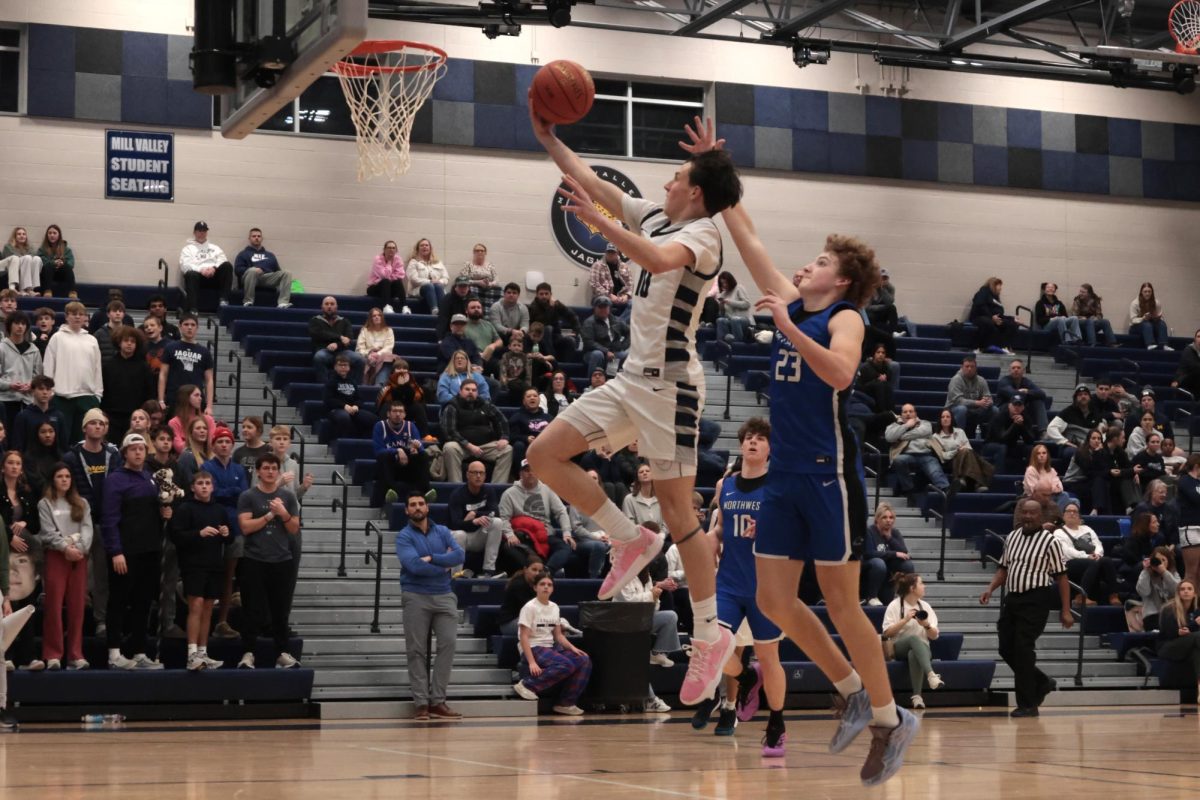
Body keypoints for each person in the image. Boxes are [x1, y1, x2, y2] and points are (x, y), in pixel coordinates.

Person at [689, 114, 916, 781]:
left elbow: (843, 374)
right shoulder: (795, 302)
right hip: (782, 477)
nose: (805, 264)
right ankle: (852, 694)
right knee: (779, 603)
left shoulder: (843, 316)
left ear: (839, 280)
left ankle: (890, 715)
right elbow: (746, 229)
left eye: (819, 262)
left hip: (826, 475)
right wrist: (715, 169)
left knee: (843, 605)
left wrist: (788, 324)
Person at [526, 113, 744, 719]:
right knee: (543, 454)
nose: (666, 183)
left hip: (672, 388)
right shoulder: (654, 212)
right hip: (629, 382)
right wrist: (548, 140)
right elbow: (596, 183)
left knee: (681, 513)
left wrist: (598, 226)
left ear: (695, 191)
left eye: (676, 176)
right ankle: (629, 537)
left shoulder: (702, 237)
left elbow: (652, 254)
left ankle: (708, 636)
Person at [700, 417, 788, 756]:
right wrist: (710, 538)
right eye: (748, 437)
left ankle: (776, 723)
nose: (752, 442)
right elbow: (721, 529)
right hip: (730, 583)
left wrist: (767, 534)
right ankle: (747, 680)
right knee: (711, 644)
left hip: (767, 587)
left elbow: (794, 534)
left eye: (760, 439)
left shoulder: (779, 485)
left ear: (769, 449)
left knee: (770, 657)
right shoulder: (727, 485)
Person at [980, 499, 1073, 717]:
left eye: (1033, 513)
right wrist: (991, 588)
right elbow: (1003, 569)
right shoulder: (1012, 537)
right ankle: (1041, 681)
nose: (1028, 516)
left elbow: (1062, 578)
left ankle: (1028, 704)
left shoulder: (1050, 542)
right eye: (1025, 512)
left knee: (1023, 649)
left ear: (1040, 516)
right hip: (1013, 598)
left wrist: (1066, 610)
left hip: (1037, 599)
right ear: (1020, 514)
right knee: (1005, 647)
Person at [101, 433, 170, 670]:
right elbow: (109, 519)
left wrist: (165, 513)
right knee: (119, 602)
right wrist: (116, 551)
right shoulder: (115, 480)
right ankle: (114, 653)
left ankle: (139, 651)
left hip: (149, 550)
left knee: (143, 603)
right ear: (125, 453)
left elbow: (155, 512)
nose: (138, 453)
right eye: (133, 449)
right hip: (125, 553)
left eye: (142, 449)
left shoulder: (150, 478)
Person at [394, 491, 463, 719]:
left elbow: (459, 555)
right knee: (416, 650)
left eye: (421, 504)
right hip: (415, 595)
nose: (417, 508)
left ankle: (438, 701)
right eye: (412, 505)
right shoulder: (403, 536)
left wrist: (433, 558)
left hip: (444, 595)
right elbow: (413, 565)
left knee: (448, 645)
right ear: (406, 510)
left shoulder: (442, 531)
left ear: (427, 507)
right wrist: (444, 563)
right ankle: (421, 703)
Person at [235, 454, 302, 669]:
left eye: (274, 468)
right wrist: (268, 516)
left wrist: (282, 513)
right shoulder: (248, 496)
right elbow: (245, 527)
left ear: (279, 472)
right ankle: (248, 653)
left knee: (280, 611)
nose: (270, 471)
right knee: (252, 610)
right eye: (266, 468)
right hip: (255, 559)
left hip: (282, 559)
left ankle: (282, 653)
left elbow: (293, 528)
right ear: (258, 471)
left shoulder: (288, 497)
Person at [63, 407, 119, 635]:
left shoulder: (113, 455)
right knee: (76, 574)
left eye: (101, 424)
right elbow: (67, 488)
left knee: (102, 575)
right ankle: (74, 620)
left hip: (105, 522)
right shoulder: (71, 456)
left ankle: (100, 619)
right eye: (93, 423)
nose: (98, 427)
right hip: (78, 522)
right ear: (85, 427)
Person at [169, 470, 229, 670]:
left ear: (213, 487)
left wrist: (226, 532)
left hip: (214, 564)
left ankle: (204, 652)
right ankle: (191, 653)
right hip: (193, 564)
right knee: (196, 605)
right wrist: (199, 533)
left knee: (208, 608)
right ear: (193, 487)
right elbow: (177, 536)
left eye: (207, 483)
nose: (204, 486)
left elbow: (228, 538)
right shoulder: (186, 508)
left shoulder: (219, 510)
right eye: (200, 483)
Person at [512, 570, 591, 716]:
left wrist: (574, 649)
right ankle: (526, 685)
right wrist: (531, 662)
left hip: (550, 647)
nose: (546, 587)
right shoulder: (529, 607)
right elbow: (524, 637)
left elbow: (558, 635)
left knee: (583, 659)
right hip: (533, 646)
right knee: (566, 664)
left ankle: (566, 703)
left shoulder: (554, 607)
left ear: (553, 588)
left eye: (549, 584)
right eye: (542, 584)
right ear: (535, 587)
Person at [37, 463, 92, 670]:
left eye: (67, 476)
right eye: (60, 476)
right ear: (53, 479)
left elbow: (88, 531)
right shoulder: (45, 504)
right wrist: (65, 548)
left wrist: (77, 548)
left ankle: (75, 654)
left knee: (77, 607)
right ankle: (53, 654)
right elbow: (48, 532)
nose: (64, 480)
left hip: (78, 558)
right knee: (53, 606)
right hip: (57, 557)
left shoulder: (82, 503)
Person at [499, 459, 585, 577]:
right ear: (520, 474)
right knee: (508, 547)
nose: (530, 473)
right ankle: (536, 572)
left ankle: (546, 572)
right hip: (524, 537)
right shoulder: (509, 494)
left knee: (566, 546)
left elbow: (561, 511)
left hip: (546, 535)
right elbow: (504, 518)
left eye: (533, 470)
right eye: (526, 470)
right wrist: (510, 534)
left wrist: (566, 532)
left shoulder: (547, 490)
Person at [616, 566, 680, 712]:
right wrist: (651, 594)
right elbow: (629, 602)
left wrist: (655, 598)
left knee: (670, 616)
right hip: (623, 623)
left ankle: (658, 653)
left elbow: (653, 608)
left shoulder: (646, 577)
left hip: (642, 620)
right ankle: (650, 699)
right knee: (635, 658)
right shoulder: (623, 575)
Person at [882, 574, 943, 710]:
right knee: (914, 639)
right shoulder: (894, 605)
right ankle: (931, 675)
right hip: (899, 647)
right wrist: (905, 620)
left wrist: (926, 625)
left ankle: (917, 697)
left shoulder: (925, 606)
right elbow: (887, 633)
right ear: (912, 588)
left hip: (922, 649)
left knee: (913, 653)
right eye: (921, 583)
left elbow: (934, 636)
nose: (924, 586)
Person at [43, 301, 102, 443]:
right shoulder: (57, 337)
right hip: (62, 396)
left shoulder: (92, 340)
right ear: (66, 316)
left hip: (87, 396)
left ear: (85, 318)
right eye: (74, 314)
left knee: (83, 440)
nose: (77, 317)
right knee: (62, 439)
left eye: (81, 314)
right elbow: (49, 365)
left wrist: (98, 394)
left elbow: (97, 368)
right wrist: (49, 391)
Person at [439, 378, 512, 482]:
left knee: (507, 449)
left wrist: (504, 437)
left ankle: (497, 488)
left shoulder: (484, 404)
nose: (470, 392)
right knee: (449, 447)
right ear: (460, 391)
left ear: (477, 392)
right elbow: (449, 431)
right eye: (467, 389)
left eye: (473, 390)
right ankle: (456, 486)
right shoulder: (452, 406)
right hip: (462, 447)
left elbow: (502, 420)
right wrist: (469, 445)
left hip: (486, 446)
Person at [1053, 501, 1122, 607]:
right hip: (1070, 563)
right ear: (1063, 516)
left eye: (1075, 511)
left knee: (1106, 560)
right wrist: (1087, 556)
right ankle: (1081, 596)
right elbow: (1066, 552)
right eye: (1069, 511)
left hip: (1091, 559)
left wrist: (1097, 554)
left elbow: (1098, 544)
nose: (1072, 513)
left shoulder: (1087, 529)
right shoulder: (1059, 532)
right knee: (1093, 563)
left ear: (1079, 516)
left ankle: (1113, 596)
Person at [448, 460, 508, 579]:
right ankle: (456, 575)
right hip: (461, 537)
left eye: (481, 473)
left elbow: (495, 513)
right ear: (467, 475)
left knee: (497, 522)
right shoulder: (457, 495)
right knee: (459, 534)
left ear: (485, 476)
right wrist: (473, 522)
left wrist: (474, 515)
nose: (478, 476)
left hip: (478, 536)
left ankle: (488, 571)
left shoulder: (488, 491)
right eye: (475, 472)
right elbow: (455, 523)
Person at [371, 401, 432, 507]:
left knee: (423, 455)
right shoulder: (380, 426)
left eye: (400, 411)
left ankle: (424, 492)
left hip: (407, 467)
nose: (398, 414)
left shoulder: (410, 426)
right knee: (383, 456)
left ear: (404, 414)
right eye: (394, 411)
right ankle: (391, 492)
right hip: (390, 467)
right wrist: (398, 451)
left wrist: (417, 448)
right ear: (388, 414)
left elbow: (420, 447)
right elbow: (378, 451)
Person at [101, 326, 155, 444]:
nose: (129, 344)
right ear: (119, 343)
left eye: (133, 341)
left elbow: (149, 392)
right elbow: (103, 390)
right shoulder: (108, 365)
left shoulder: (143, 367)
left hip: (135, 417)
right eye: (126, 341)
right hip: (112, 416)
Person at [158, 314, 214, 420]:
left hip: (196, 398)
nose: (189, 327)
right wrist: (161, 399)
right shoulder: (170, 347)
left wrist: (209, 406)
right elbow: (163, 374)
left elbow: (209, 380)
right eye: (186, 324)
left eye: (193, 325)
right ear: (180, 326)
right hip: (174, 397)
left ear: (197, 328)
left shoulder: (204, 351)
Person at [886, 405, 949, 495]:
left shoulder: (925, 423)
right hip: (907, 455)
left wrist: (901, 436)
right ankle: (909, 489)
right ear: (901, 414)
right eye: (905, 412)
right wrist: (907, 425)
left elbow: (924, 432)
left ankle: (946, 489)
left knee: (934, 470)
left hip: (926, 454)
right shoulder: (894, 425)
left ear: (915, 414)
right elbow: (889, 437)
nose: (908, 414)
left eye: (911, 411)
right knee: (898, 460)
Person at [862, 503, 916, 606]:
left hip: (888, 573)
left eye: (891, 517)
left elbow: (904, 552)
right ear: (877, 519)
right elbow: (869, 553)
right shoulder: (869, 531)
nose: (888, 520)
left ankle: (907, 595)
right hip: (872, 570)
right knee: (879, 563)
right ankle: (872, 596)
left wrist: (890, 538)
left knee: (907, 564)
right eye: (884, 517)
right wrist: (893, 554)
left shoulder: (894, 532)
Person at [1156, 580, 1200, 699]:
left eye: (1189, 589)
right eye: (1183, 589)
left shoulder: (1197, 610)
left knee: (1197, 652)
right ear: (1178, 593)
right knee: (1198, 636)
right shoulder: (1169, 609)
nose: (1186, 591)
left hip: (1189, 645)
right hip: (1169, 646)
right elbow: (1173, 632)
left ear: (1195, 593)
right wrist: (1194, 625)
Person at [931, 408, 993, 492]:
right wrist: (957, 450)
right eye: (943, 417)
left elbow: (969, 448)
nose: (945, 419)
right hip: (950, 461)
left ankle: (961, 478)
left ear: (952, 419)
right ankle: (978, 484)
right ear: (940, 419)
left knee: (967, 452)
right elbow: (943, 455)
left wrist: (962, 450)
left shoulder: (960, 432)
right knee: (964, 452)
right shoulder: (935, 437)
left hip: (966, 456)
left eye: (948, 417)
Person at [178, 221, 234, 312]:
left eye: (204, 231)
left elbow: (222, 259)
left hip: (214, 277)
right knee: (191, 274)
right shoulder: (188, 249)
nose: (201, 233)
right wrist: (201, 270)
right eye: (199, 231)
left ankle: (224, 300)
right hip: (198, 277)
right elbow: (185, 265)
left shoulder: (215, 248)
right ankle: (193, 309)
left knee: (227, 266)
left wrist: (214, 268)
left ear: (206, 232)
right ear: (194, 233)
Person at [234, 227, 293, 308]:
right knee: (253, 271)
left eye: (258, 236)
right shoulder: (243, 254)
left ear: (262, 238)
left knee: (287, 273)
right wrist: (253, 269)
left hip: (267, 278)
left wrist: (264, 270)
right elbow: (237, 270)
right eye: (254, 236)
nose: (256, 238)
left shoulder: (270, 255)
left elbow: (277, 271)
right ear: (249, 238)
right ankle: (248, 301)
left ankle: (283, 303)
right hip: (250, 278)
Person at [309, 296, 363, 384]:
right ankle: (325, 387)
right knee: (318, 357)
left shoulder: (345, 321)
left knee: (360, 359)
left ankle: (355, 387)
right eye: (326, 304)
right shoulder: (315, 320)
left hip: (342, 352)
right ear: (322, 307)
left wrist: (337, 345)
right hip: (324, 350)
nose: (329, 306)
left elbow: (349, 339)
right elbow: (318, 334)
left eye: (332, 304)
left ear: (336, 307)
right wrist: (340, 337)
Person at [0, 311, 41, 427]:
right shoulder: (2, 348)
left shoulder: (34, 350)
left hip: (28, 400)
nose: (20, 326)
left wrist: (31, 385)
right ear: (9, 326)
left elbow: (38, 376)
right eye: (17, 323)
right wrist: (10, 385)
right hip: (5, 400)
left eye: (23, 324)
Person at [325, 354, 379, 439]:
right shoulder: (330, 382)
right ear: (335, 367)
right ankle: (341, 444)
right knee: (344, 417)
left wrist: (356, 406)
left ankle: (364, 443)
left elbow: (359, 398)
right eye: (340, 365)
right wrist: (344, 406)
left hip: (353, 409)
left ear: (349, 368)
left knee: (372, 419)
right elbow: (328, 400)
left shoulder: (352, 382)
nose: (343, 367)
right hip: (336, 410)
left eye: (345, 365)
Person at [527, 283, 581, 361]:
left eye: (546, 294)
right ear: (537, 295)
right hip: (539, 338)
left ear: (551, 294)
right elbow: (542, 324)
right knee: (548, 329)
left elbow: (572, 316)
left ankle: (565, 368)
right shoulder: (532, 308)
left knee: (570, 341)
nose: (544, 296)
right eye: (541, 294)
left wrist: (576, 331)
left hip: (556, 337)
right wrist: (549, 307)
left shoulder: (556, 304)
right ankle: (552, 360)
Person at [580, 296, 630, 379]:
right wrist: (606, 351)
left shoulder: (617, 320)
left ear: (609, 308)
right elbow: (589, 342)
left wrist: (622, 346)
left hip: (614, 352)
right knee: (597, 354)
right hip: (593, 353)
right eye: (600, 307)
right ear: (595, 308)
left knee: (625, 355)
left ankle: (616, 383)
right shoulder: (589, 322)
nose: (603, 309)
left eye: (605, 307)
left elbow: (629, 333)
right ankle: (592, 383)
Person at [376, 359, 429, 436]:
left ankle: (425, 435)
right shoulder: (388, 384)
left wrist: (405, 385)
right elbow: (390, 400)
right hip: (392, 412)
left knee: (418, 407)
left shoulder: (412, 383)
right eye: (398, 368)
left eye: (404, 368)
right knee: (386, 406)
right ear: (393, 371)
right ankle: (383, 433)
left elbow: (411, 400)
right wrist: (400, 386)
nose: (402, 370)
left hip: (407, 412)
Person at [1046, 384, 1104, 453]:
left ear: (1090, 397)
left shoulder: (1095, 411)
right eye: (1080, 395)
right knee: (1071, 452)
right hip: (1073, 446)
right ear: (1075, 398)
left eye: (1085, 394)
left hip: (1091, 445)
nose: (1083, 396)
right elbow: (1051, 428)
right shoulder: (1067, 412)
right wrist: (1064, 441)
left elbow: (1100, 430)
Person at [945, 355, 994, 437]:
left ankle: (992, 438)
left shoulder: (981, 380)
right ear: (962, 367)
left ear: (976, 368)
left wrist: (988, 401)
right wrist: (977, 403)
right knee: (962, 409)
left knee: (994, 410)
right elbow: (958, 400)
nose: (969, 369)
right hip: (954, 409)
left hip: (975, 410)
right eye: (967, 366)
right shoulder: (956, 379)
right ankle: (959, 438)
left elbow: (988, 396)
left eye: (972, 367)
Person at [996, 360, 1048, 435]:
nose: (1016, 370)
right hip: (1004, 409)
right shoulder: (1004, 381)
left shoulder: (1026, 381)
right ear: (1009, 370)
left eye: (1018, 368)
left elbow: (1042, 394)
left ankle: (1043, 432)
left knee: (1038, 402)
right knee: (1012, 405)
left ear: (1023, 370)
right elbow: (1014, 395)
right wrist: (1026, 393)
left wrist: (1027, 391)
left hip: (1021, 408)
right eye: (1013, 368)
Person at [497, 555, 546, 634]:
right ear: (525, 569)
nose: (537, 573)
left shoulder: (538, 584)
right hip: (509, 623)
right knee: (541, 627)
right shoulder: (518, 585)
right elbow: (531, 609)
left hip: (526, 620)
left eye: (540, 571)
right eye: (534, 570)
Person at [970, 277, 1018, 355]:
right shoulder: (983, 291)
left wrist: (1012, 318)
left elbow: (1000, 313)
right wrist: (991, 317)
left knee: (1012, 324)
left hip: (994, 318)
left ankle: (1004, 347)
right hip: (980, 317)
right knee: (987, 322)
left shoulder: (996, 297)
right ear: (993, 285)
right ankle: (977, 347)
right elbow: (980, 306)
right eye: (999, 285)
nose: (1001, 288)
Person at [507, 387, 551, 471]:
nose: (532, 398)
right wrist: (525, 438)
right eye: (529, 396)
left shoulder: (548, 418)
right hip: (526, 447)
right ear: (524, 401)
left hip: (544, 446)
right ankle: (522, 475)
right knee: (518, 445)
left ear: (539, 400)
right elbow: (511, 436)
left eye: (535, 396)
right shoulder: (517, 417)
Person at [1136, 545, 1179, 630]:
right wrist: (1145, 571)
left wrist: (1164, 572)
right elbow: (1144, 592)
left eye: (1163, 560)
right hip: (1152, 615)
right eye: (1158, 560)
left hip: (1171, 614)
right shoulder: (1146, 573)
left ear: (1169, 561)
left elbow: (1177, 591)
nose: (1161, 563)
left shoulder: (1173, 573)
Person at [167, 385, 216, 455]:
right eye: (196, 395)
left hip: (207, 457)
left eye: (200, 395)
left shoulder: (208, 420)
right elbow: (179, 447)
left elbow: (212, 443)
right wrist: (198, 443)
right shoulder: (174, 422)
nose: (200, 398)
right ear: (186, 398)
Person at [1024, 444, 1074, 513]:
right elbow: (1035, 490)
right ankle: (1054, 518)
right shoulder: (1031, 470)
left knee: (1075, 501)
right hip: (1035, 499)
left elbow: (1060, 488)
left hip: (1052, 497)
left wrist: (1049, 489)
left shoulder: (1051, 470)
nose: (1042, 455)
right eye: (1038, 453)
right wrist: (1052, 488)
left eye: (1044, 453)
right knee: (1064, 496)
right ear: (1034, 456)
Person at [407, 238, 450, 313]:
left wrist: (439, 281)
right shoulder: (413, 262)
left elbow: (446, 278)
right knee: (429, 286)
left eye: (426, 245)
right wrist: (430, 281)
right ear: (418, 249)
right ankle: (434, 309)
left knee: (438, 286)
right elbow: (413, 279)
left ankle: (443, 312)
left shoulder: (438, 262)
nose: (424, 247)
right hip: (418, 290)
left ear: (430, 248)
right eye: (422, 245)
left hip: (437, 289)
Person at [621, 463, 667, 533]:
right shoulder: (629, 499)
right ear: (637, 477)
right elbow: (629, 523)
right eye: (641, 472)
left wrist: (661, 535)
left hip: (661, 538)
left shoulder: (662, 497)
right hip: (639, 539)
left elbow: (667, 522)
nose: (645, 473)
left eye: (647, 471)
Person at [463, 298, 503, 376]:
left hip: (487, 357)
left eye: (478, 307)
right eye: (473, 307)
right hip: (470, 359)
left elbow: (500, 341)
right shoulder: (462, 325)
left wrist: (492, 346)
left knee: (501, 366)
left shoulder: (488, 324)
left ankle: (503, 387)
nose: (476, 309)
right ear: (466, 311)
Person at [589, 243, 632, 314]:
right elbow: (594, 284)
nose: (610, 254)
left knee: (633, 304)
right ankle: (617, 323)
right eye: (608, 252)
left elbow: (630, 284)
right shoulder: (597, 265)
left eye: (613, 252)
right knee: (605, 302)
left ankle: (619, 324)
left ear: (617, 253)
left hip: (621, 297)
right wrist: (609, 295)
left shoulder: (624, 266)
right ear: (605, 252)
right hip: (603, 297)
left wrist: (626, 296)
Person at [357, 307, 396, 386]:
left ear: (382, 317)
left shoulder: (389, 330)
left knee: (388, 358)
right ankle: (364, 385)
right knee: (359, 358)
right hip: (367, 356)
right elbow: (360, 348)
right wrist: (369, 354)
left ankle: (379, 385)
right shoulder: (365, 330)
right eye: (374, 316)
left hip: (383, 356)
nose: (377, 317)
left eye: (379, 315)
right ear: (370, 318)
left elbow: (389, 347)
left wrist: (377, 354)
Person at [367, 240, 408, 313]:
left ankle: (404, 307)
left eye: (393, 248)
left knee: (398, 282)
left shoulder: (398, 259)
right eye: (389, 248)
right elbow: (384, 275)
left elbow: (400, 275)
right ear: (384, 250)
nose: (391, 250)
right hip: (375, 288)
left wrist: (389, 278)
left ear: (396, 250)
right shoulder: (378, 259)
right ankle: (386, 306)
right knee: (385, 281)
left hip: (389, 288)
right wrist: (389, 263)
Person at [1128, 281, 1172, 351]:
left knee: (1162, 323)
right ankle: (1150, 344)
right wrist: (1143, 318)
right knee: (1147, 324)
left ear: (1152, 292)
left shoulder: (1156, 303)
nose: (1147, 293)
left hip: (1151, 324)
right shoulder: (1135, 303)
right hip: (1136, 327)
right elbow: (1133, 320)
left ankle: (1164, 345)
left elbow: (1160, 316)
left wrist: (1157, 318)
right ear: (1141, 292)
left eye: (1149, 291)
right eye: (1145, 291)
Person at [36, 224, 76, 298]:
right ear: (47, 235)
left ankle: (72, 291)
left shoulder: (66, 249)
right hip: (47, 274)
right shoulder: (42, 249)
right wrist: (53, 263)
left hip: (61, 275)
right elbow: (40, 261)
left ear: (59, 235)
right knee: (49, 266)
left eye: (54, 233)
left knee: (67, 266)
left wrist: (62, 263)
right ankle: (47, 290)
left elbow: (71, 263)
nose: (52, 235)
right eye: (50, 233)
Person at [856, 343, 898, 415]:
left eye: (883, 353)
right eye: (878, 352)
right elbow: (862, 385)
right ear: (874, 354)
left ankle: (891, 412)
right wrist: (878, 379)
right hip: (865, 390)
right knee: (880, 384)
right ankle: (882, 412)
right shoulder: (866, 367)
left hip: (880, 390)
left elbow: (889, 376)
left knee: (887, 385)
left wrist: (884, 378)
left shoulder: (886, 367)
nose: (880, 355)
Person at [714, 271, 754, 344]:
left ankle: (738, 344)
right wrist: (721, 306)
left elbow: (747, 304)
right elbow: (722, 315)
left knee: (734, 320)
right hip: (730, 320)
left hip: (744, 319)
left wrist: (729, 302)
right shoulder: (723, 294)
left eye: (725, 282)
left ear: (730, 281)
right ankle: (721, 344)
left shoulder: (739, 288)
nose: (724, 285)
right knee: (720, 320)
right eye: (722, 283)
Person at [1178, 454, 1200, 587]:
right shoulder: (1185, 480)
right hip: (1190, 528)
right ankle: (1186, 606)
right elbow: (1196, 498)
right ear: (1197, 466)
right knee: (1191, 571)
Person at [459, 242, 500, 308]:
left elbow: (497, 279)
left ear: (485, 253)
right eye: (477, 250)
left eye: (482, 251)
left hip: (489, 288)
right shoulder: (468, 264)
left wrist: (490, 284)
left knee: (500, 290)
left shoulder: (490, 265)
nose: (480, 252)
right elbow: (463, 280)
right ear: (474, 252)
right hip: (473, 288)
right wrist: (478, 282)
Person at [1, 227, 40, 294]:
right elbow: (12, 261)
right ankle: (12, 288)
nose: (22, 236)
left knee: (37, 259)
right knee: (16, 258)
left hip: (19, 269)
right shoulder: (8, 246)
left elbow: (33, 257)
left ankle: (30, 290)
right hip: (4, 267)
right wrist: (26, 259)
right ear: (15, 236)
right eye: (19, 234)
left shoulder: (30, 247)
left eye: (24, 234)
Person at [436, 277, 475, 341]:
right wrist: (440, 338)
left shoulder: (473, 299)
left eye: (465, 286)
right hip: (451, 331)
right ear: (455, 288)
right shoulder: (447, 299)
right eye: (460, 286)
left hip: (470, 331)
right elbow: (443, 319)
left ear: (468, 288)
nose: (463, 289)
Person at [1171, 329, 1200, 397]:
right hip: (1184, 381)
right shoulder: (1188, 350)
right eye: (1198, 336)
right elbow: (1195, 367)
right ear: (1194, 340)